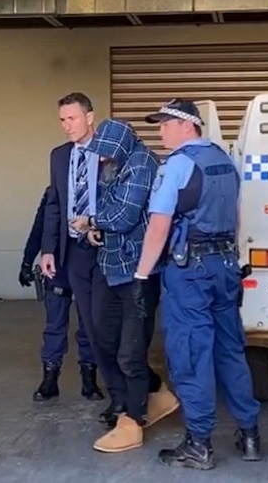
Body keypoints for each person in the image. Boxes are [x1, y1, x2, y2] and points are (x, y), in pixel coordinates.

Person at [134, 99, 262, 470]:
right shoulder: (225, 161)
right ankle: (250, 433)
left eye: (165, 124)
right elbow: (236, 216)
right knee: (230, 350)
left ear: (186, 125)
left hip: (190, 271)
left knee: (191, 354)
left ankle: (199, 444)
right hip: (224, 266)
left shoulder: (177, 166)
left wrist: (142, 276)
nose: (160, 131)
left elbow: (159, 226)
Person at [71, 118, 180, 452]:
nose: (101, 159)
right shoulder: (114, 164)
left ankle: (132, 421)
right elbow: (104, 205)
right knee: (103, 337)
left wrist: (90, 221)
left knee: (130, 352)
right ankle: (156, 391)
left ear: (118, 146)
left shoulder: (143, 164)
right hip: (110, 265)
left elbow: (124, 215)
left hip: (137, 273)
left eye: (104, 153)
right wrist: (95, 229)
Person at [40, 92, 121, 426]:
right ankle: (54, 375)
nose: (66, 126)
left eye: (72, 118)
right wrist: (47, 249)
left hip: (102, 249)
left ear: (90, 117)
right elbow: (54, 204)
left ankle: (101, 382)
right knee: (64, 315)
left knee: (96, 320)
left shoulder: (110, 154)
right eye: (62, 120)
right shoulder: (59, 156)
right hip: (70, 249)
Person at [19, 185, 104, 402]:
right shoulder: (54, 191)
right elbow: (40, 226)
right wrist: (28, 260)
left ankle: (89, 378)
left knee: (89, 325)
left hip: (88, 263)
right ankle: (50, 378)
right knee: (54, 326)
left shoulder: (99, 187)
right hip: (57, 266)